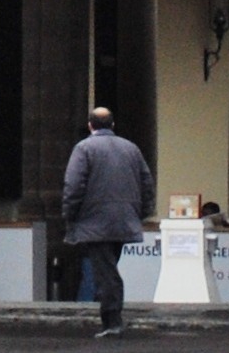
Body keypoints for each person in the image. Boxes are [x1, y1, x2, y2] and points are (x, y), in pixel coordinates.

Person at [59, 107, 153, 339]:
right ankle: (110, 316)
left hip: (95, 222)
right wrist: (139, 213)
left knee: (106, 273)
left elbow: (73, 186)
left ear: (90, 125)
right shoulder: (131, 149)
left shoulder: (84, 148)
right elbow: (147, 183)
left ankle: (113, 321)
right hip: (124, 220)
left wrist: (70, 215)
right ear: (112, 125)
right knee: (108, 268)